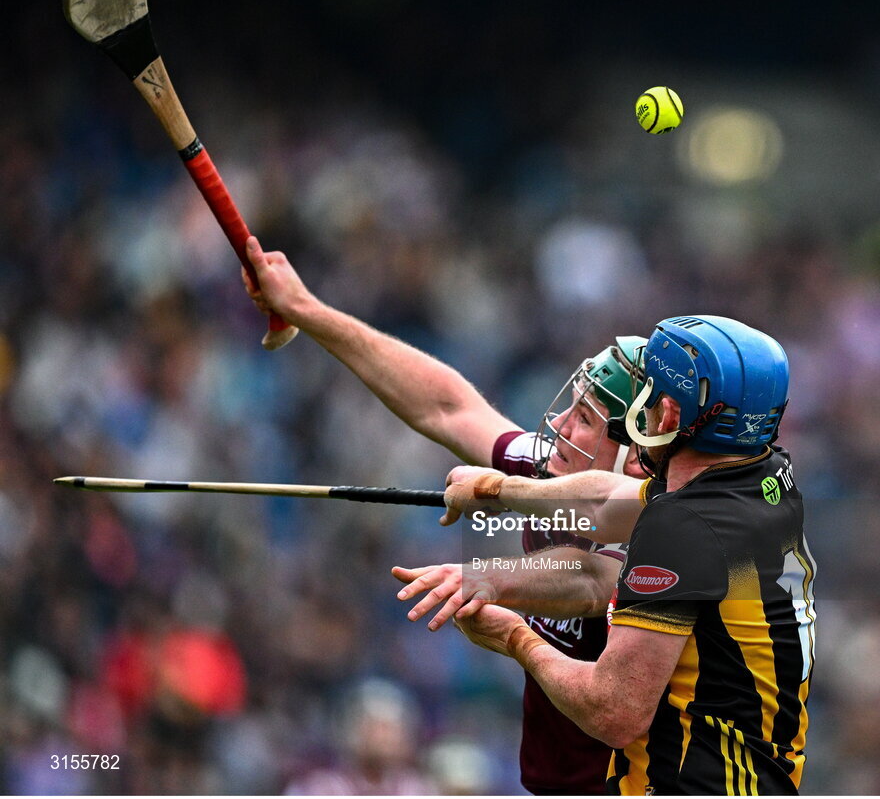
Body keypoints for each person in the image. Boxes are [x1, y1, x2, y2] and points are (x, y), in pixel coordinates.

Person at [240, 235, 649, 795]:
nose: (560, 427)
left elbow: (591, 580)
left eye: (585, 418)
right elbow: (447, 407)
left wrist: (481, 578)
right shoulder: (551, 474)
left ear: (634, 452)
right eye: (571, 406)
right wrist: (309, 311)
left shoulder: (660, 521)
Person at [449, 315, 817, 795]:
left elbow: (614, 711)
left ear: (666, 416)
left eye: (646, 397)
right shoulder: (765, 478)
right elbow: (610, 503)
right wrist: (498, 487)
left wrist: (517, 638)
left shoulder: (682, 529)